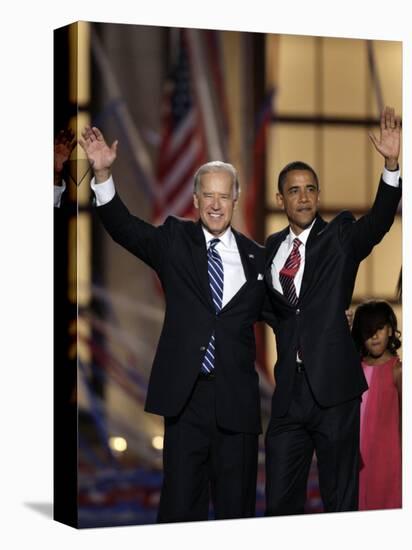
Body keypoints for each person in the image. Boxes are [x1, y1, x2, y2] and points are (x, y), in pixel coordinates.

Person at [78, 126, 267, 523]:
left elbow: (288, 315)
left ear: (236, 199)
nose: (216, 205)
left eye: (223, 196)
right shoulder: (175, 240)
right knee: (181, 511)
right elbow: (124, 228)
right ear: (196, 200)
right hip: (186, 400)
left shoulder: (257, 259)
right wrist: (102, 176)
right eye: (208, 196)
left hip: (237, 403)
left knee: (238, 515)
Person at [263, 106, 402, 515]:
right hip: (289, 395)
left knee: (340, 502)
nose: (303, 197)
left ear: (318, 196)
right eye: (294, 190)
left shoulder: (340, 235)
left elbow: (377, 222)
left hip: (336, 394)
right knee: (279, 505)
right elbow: (272, 309)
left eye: (310, 189)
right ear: (280, 199)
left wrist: (391, 166)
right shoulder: (270, 248)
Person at [351, 300, 402, 510]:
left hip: (390, 456)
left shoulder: (398, 371)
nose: (374, 336)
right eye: (368, 330)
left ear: (390, 330)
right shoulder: (355, 369)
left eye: (379, 328)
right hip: (359, 456)